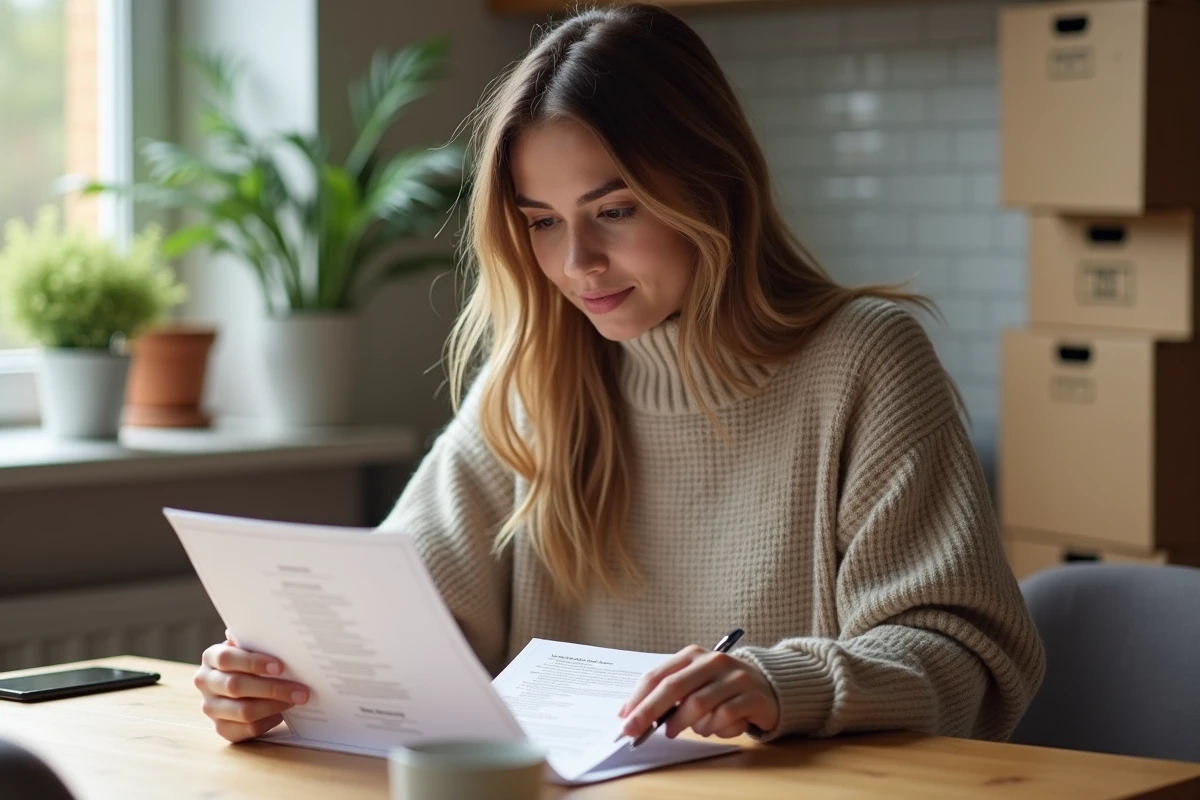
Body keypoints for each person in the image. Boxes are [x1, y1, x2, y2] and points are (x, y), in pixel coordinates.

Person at [193, 3, 1045, 747]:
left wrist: (782, 683)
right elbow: (390, 621)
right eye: (542, 221)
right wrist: (273, 678)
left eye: (615, 210)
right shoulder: (536, 378)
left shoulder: (865, 360)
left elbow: (963, 656)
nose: (578, 263)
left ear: (713, 183)